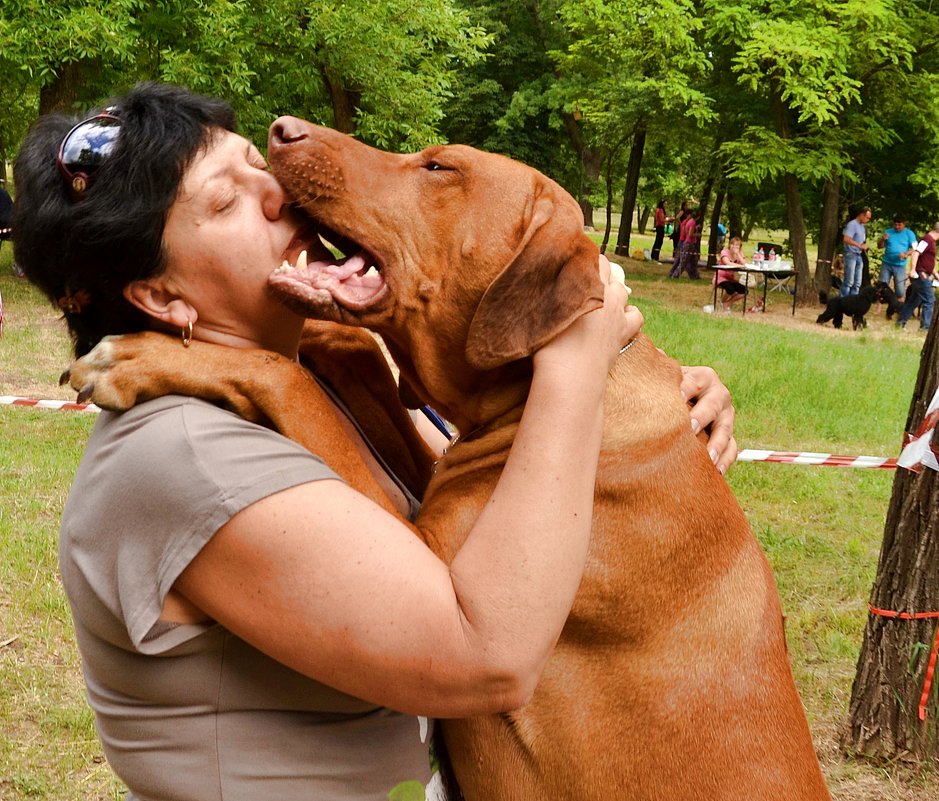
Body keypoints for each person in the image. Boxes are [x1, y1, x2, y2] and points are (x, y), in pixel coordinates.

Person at [13, 83, 738, 800]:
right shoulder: (185, 449)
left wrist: (645, 395)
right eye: (225, 202)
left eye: (252, 168)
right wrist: (578, 362)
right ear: (160, 296)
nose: (276, 195)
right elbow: (483, 653)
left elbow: (466, 484)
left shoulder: (330, 367)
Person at [897, 221, 938, 331]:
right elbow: (915, 253)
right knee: (929, 300)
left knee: (914, 301)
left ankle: (900, 323)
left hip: (923, 273)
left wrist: (935, 274)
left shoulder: (930, 241)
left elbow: (926, 260)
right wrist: (913, 270)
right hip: (921, 275)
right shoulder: (927, 240)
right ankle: (925, 328)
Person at [878, 216, 917, 303]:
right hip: (886, 264)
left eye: (899, 225)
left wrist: (906, 254)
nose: (897, 227)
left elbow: (915, 248)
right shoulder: (888, 232)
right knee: (881, 287)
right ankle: (878, 309)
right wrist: (883, 239)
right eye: (895, 225)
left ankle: (899, 307)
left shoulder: (909, 234)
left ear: (904, 224)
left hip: (900, 265)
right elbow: (879, 246)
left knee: (900, 291)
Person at [841, 206, 872, 297]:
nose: (868, 220)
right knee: (849, 281)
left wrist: (864, 246)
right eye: (867, 218)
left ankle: (853, 301)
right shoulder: (852, 224)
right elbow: (846, 239)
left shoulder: (862, 227)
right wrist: (859, 245)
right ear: (862, 215)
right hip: (851, 254)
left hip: (859, 254)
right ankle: (843, 300)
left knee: (857, 283)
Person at [713, 236, 748, 312]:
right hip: (721, 277)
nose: (734, 247)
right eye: (732, 244)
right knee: (730, 289)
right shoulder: (724, 252)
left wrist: (738, 254)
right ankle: (722, 303)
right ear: (729, 245)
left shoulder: (740, 253)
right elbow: (727, 263)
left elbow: (745, 263)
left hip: (732, 279)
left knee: (744, 291)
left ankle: (727, 303)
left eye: (737, 245)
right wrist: (741, 266)